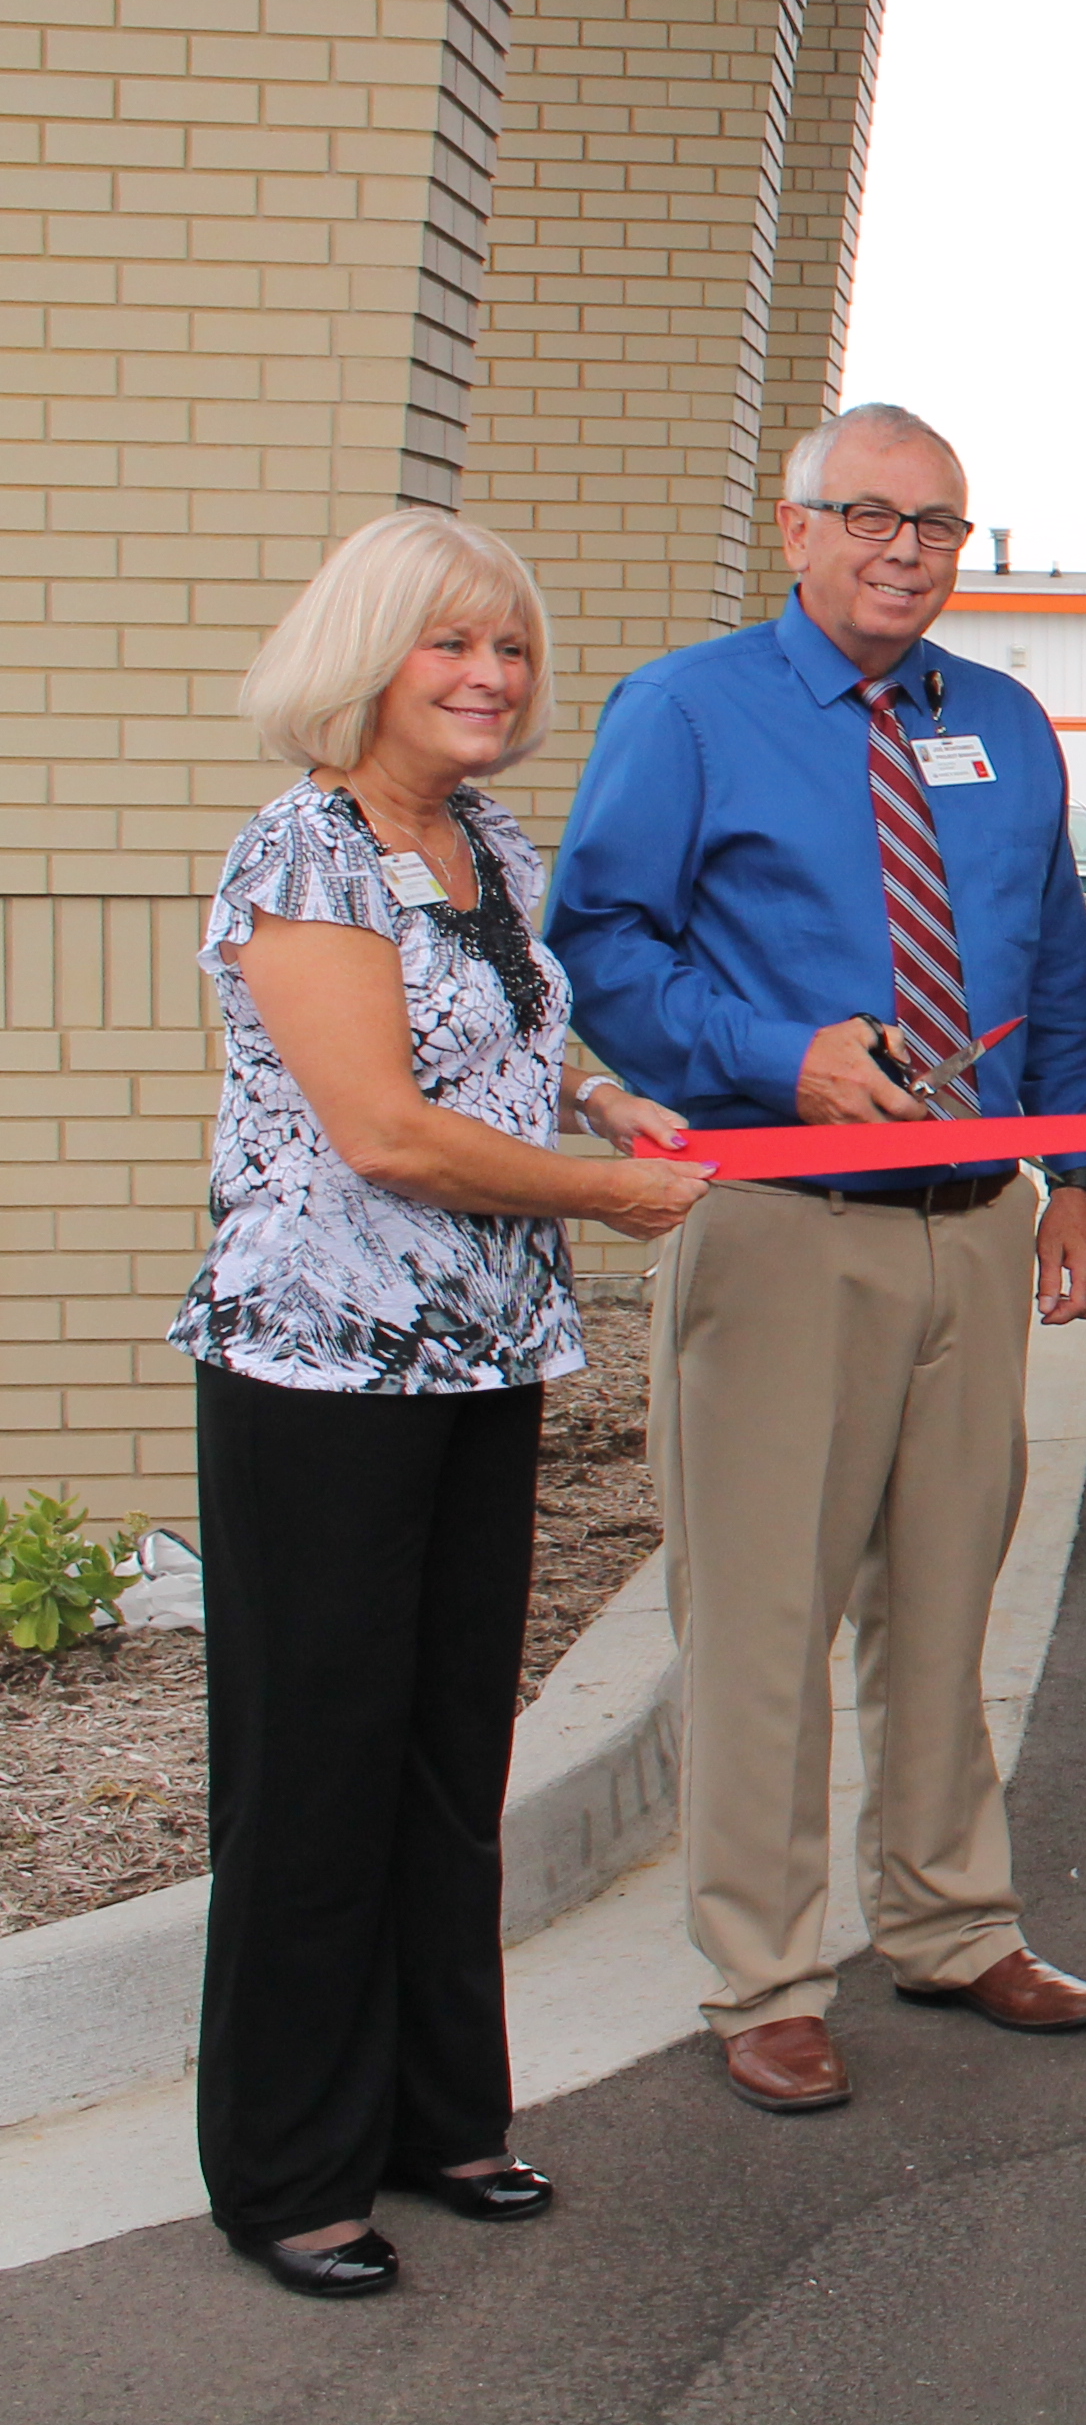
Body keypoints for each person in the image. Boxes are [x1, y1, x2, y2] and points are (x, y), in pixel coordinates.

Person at [549, 403, 1086, 2115]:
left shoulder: (1003, 724)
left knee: (950, 1595)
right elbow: (599, 948)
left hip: (973, 1226)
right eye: (868, 515)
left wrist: (1078, 1176)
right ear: (795, 531)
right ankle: (767, 1973)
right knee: (763, 1616)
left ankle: (952, 1922)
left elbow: (1058, 963)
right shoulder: (689, 710)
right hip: (784, 1227)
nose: (905, 549)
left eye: (939, 525)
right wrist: (771, 1053)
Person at [174, 510, 712, 2296]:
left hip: (480, 1355)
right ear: (369, 655)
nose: (493, 680)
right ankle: (285, 2167)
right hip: (321, 1369)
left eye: (513, 652)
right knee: (314, 1770)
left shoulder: (475, 836)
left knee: (440, 1755)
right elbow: (388, 1129)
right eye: (452, 648)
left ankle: (434, 2114)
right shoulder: (302, 851)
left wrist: (606, 1100)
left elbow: (503, 1036)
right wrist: (603, 1197)